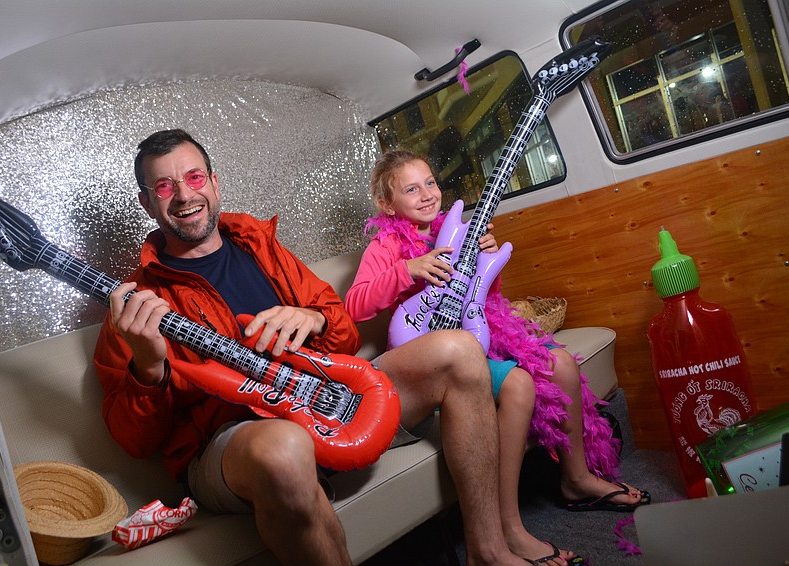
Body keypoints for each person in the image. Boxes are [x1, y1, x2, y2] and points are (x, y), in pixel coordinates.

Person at [94, 129, 541, 566]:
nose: (184, 195)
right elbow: (135, 442)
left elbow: (344, 332)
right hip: (235, 440)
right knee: (285, 447)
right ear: (147, 202)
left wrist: (316, 318)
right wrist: (148, 369)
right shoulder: (135, 301)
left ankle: (489, 552)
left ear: (214, 183)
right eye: (165, 186)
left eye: (194, 178)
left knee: (460, 349)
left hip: (331, 399)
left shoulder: (259, 245)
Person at [344, 149, 652, 562]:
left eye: (431, 183)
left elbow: (487, 296)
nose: (426, 194)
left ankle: (576, 478)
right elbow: (354, 306)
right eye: (411, 189)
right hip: (435, 351)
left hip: (479, 330)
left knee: (560, 364)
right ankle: (508, 524)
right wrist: (408, 270)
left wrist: (488, 257)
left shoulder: (458, 229)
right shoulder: (386, 246)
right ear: (387, 204)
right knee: (519, 385)